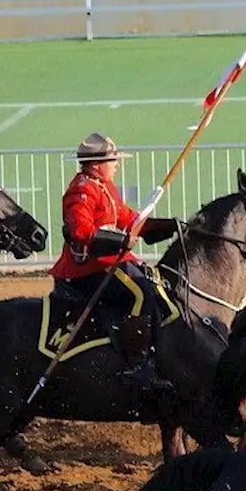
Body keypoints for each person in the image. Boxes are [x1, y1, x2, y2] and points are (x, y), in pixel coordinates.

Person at [50, 133, 179, 389]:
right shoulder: (82, 190)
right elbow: (79, 231)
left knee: (155, 284)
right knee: (141, 293)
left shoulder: (104, 186)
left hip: (109, 260)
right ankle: (137, 366)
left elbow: (125, 217)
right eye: (113, 160)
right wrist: (120, 241)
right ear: (96, 164)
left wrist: (167, 226)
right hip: (88, 268)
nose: (117, 164)